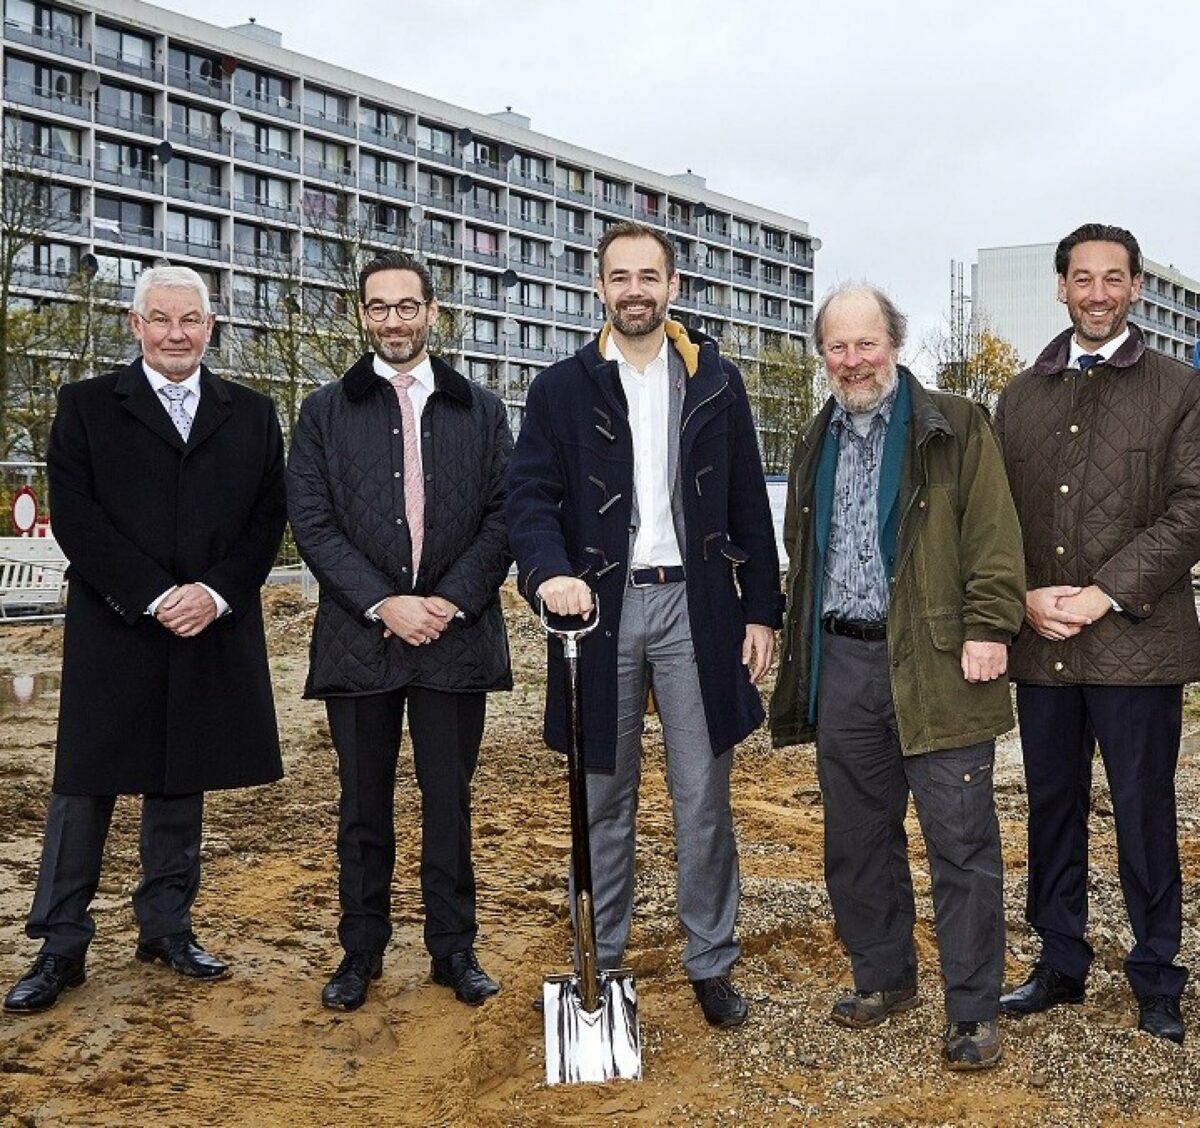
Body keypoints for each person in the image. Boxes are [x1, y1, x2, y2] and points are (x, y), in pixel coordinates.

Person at [506, 220, 782, 1027]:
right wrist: (549, 572)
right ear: (599, 288)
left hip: (696, 607)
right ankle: (605, 960)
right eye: (619, 277)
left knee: (703, 795)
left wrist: (762, 608)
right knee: (603, 794)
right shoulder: (561, 388)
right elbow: (529, 499)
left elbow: (746, 509)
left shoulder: (715, 382)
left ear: (673, 287)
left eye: (648, 276)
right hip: (598, 611)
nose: (634, 290)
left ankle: (710, 961)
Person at [3, 266, 286, 1014]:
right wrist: (157, 594)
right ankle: (60, 944)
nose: (174, 333)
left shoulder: (253, 413)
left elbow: (266, 521)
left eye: (189, 319)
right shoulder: (88, 406)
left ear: (211, 325)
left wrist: (215, 593)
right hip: (118, 623)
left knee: (179, 779)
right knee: (84, 787)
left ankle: (166, 925)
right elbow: (78, 519)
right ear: (135, 325)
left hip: (209, 624)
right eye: (159, 319)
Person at [769, 283, 1025, 1069]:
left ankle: (974, 1010)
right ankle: (883, 977)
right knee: (855, 838)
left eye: (866, 344)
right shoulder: (815, 439)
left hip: (939, 660)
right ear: (824, 358)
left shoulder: (953, 425)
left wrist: (988, 625)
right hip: (842, 661)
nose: (852, 362)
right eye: (837, 348)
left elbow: (992, 533)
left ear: (895, 343)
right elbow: (803, 555)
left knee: (961, 842)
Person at [287, 252, 512, 1012]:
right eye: (379, 307)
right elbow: (312, 524)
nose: (394, 319)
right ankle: (361, 953)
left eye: (407, 305)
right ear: (361, 316)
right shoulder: (323, 412)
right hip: (363, 639)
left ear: (432, 312)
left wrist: (447, 601)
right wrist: (385, 603)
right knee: (362, 806)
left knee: (448, 803)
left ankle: (454, 952)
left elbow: (503, 517)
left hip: (454, 636)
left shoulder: (481, 410)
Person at [994, 224, 1200, 1045]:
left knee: (1144, 812)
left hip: (1139, 646)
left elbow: (1192, 510)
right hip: (1042, 643)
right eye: (1083, 278)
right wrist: (1023, 592)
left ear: (1137, 288)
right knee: (1051, 807)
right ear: (1061, 287)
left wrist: (1106, 594)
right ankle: (1061, 963)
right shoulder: (1019, 395)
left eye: (1114, 278)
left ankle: (1157, 976)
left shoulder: (1180, 387)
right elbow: (994, 515)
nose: (1098, 292)